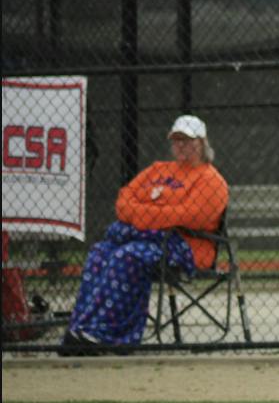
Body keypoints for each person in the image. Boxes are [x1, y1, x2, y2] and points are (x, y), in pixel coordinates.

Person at [59, 115, 228, 354]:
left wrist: (141, 216)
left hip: (187, 248)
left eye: (186, 140)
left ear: (200, 143)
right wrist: (158, 217)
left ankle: (106, 335)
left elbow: (191, 216)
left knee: (127, 256)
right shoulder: (158, 169)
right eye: (176, 140)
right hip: (146, 238)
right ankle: (81, 328)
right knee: (99, 253)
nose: (179, 145)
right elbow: (123, 201)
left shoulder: (212, 180)